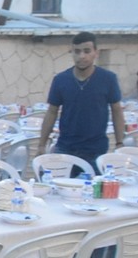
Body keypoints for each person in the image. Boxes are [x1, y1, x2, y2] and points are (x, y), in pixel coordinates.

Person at [37, 31, 125, 172]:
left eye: (86, 51)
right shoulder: (61, 80)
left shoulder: (108, 79)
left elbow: (117, 111)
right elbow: (52, 112)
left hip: (96, 150)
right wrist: (42, 144)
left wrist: (120, 142)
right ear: (72, 53)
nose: (82, 56)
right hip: (65, 148)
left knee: (96, 186)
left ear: (95, 53)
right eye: (77, 51)